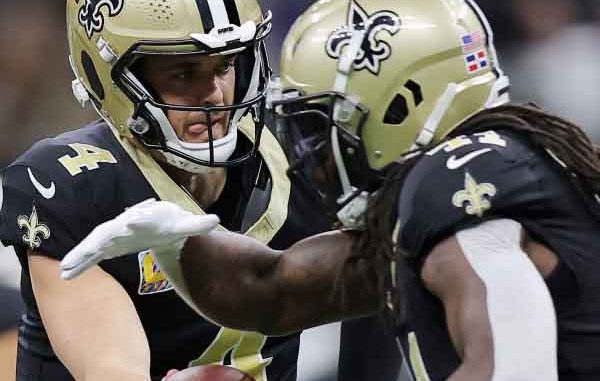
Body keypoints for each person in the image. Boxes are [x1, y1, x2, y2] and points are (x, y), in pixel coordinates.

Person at [59, 0, 600, 380]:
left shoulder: (455, 182)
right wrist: (178, 240)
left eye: (319, 126)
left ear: (398, 104)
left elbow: (511, 370)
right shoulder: (495, 177)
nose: (309, 153)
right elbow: (275, 291)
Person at [0, 0, 335, 380]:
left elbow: (383, 284)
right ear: (112, 77)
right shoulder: (70, 183)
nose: (214, 94)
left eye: (224, 65)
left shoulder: (299, 148)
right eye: (182, 72)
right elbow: (112, 370)